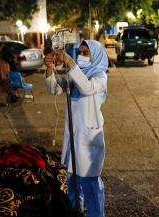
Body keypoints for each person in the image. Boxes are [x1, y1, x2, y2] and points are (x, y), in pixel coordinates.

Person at [44, 40, 108, 217]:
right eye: (80, 52)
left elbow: (87, 89)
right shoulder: (75, 76)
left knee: (90, 185)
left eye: (86, 53)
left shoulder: (100, 77)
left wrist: (70, 62)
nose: (81, 56)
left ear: (96, 56)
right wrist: (49, 69)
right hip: (73, 138)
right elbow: (54, 90)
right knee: (72, 183)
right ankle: (76, 212)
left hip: (89, 140)